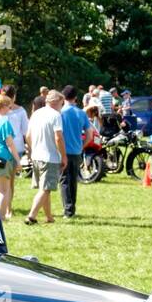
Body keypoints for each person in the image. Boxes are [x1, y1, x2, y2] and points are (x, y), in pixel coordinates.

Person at [25, 90, 67, 225]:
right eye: (62, 103)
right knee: (46, 189)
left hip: (36, 155)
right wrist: (64, 156)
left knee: (44, 189)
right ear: (57, 102)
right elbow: (58, 137)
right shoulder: (56, 115)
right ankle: (31, 216)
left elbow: (28, 136)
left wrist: (32, 150)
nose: (62, 106)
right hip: (50, 157)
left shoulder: (36, 114)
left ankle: (49, 217)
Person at [59, 85, 89, 218]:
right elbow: (89, 133)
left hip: (63, 151)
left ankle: (68, 209)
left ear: (63, 97)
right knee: (73, 181)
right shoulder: (81, 113)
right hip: (77, 151)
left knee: (64, 180)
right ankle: (72, 208)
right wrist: (82, 145)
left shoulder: (60, 113)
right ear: (76, 97)